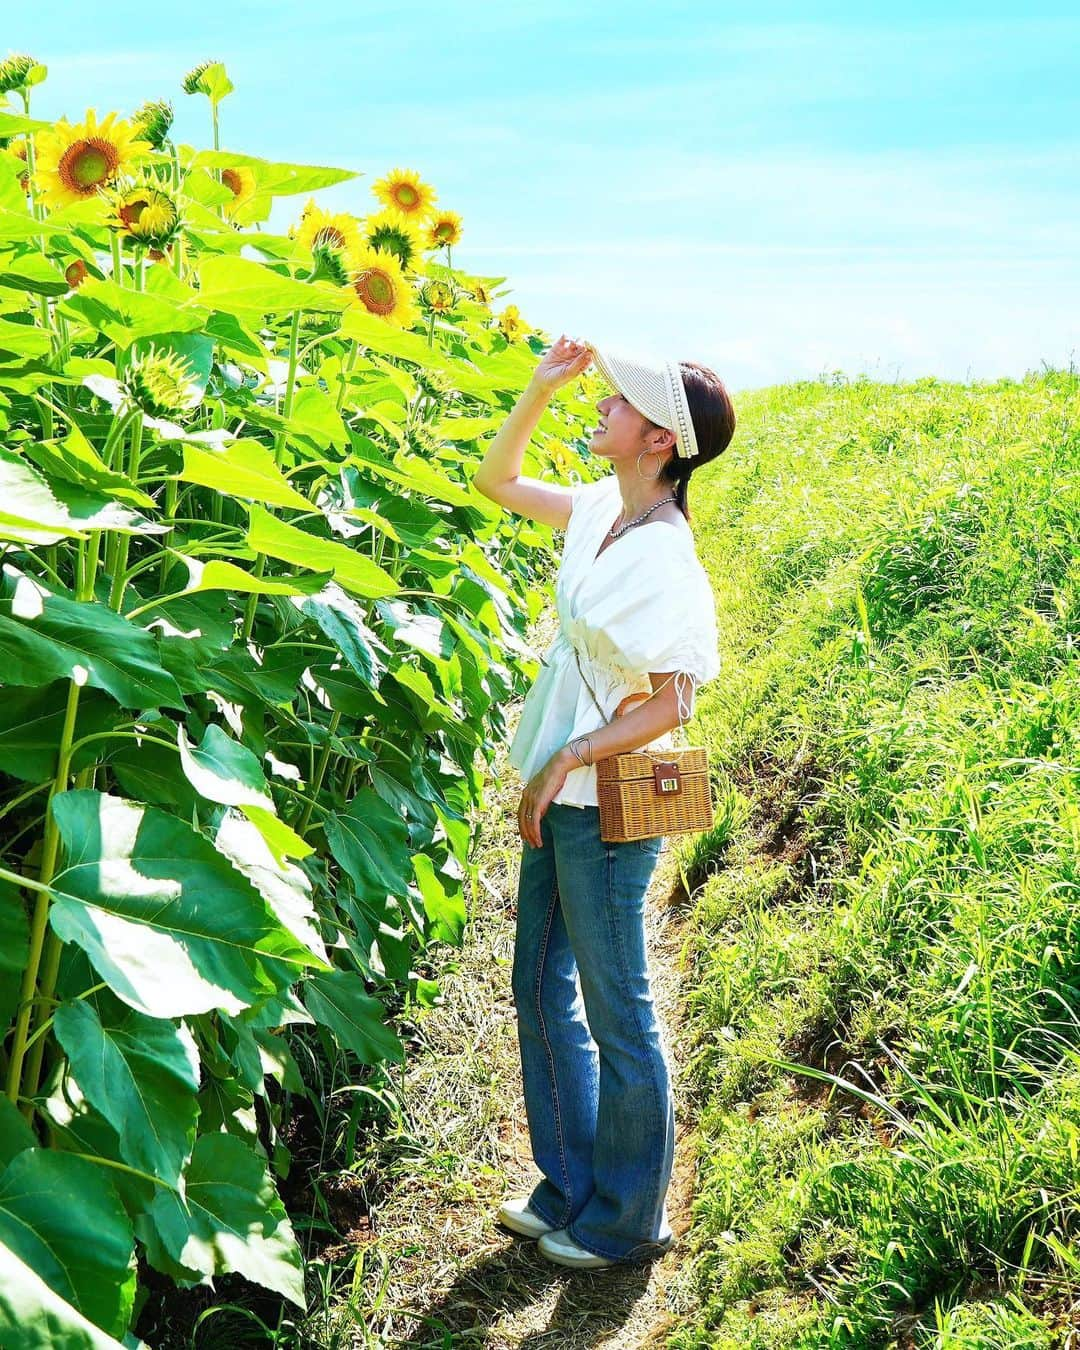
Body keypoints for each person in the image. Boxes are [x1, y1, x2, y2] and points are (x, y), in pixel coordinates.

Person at [471, 334, 736, 1269]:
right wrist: (539, 391)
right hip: (561, 784)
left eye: (617, 402)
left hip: (611, 805)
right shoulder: (597, 512)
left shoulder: (667, 558)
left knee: (616, 1005)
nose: (603, 407)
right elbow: (496, 482)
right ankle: (571, 1187)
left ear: (660, 440)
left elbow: (675, 697)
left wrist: (570, 757)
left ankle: (629, 1220)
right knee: (539, 985)